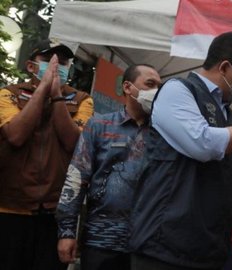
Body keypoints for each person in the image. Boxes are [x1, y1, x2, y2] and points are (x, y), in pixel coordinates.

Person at [128, 31, 232, 270]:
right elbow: (202, 144)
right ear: (224, 67)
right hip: (166, 248)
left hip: (211, 250)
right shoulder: (178, 91)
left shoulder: (231, 116)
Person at [56, 64, 161, 270]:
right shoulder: (99, 125)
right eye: (150, 84)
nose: (156, 92)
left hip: (147, 244)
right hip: (100, 240)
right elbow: (77, 179)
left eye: (159, 86)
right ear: (128, 88)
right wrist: (66, 232)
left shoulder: (163, 133)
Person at [0, 38, 94, 270]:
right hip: (10, 207)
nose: (56, 67)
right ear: (32, 66)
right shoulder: (7, 94)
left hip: (55, 211)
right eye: (49, 61)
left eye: (62, 63)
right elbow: (16, 135)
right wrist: (42, 90)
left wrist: (57, 96)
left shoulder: (82, 100)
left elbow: (74, 142)